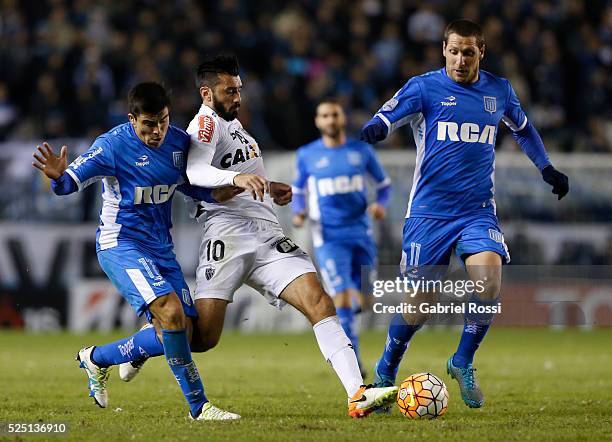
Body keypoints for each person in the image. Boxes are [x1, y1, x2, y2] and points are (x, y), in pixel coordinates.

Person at [117, 54, 399, 418]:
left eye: (239, 89)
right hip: (227, 236)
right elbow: (196, 170)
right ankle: (141, 345)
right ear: (207, 93)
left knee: (319, 302)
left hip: (267, 234)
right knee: (200, 338)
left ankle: (357, 394)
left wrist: (268, 187)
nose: (237, 97)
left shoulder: (236, 127)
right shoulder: (205, 125)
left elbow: (241, 172)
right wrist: (236, 180)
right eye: (229, 91)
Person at [360, 19, 569, 408]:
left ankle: (462, 361)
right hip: (428, 213)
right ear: (444, 50)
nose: (460, 60)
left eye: (468, 52)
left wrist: (546, 167)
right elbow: (388, 114)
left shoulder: (499, 90)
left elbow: (523, 129)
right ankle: (386, 371)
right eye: (453, 51)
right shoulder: (424, 87)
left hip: (477, 211)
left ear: (481, 52)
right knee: (418, 306)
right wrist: (377, 127)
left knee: (489, 278)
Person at [32, 82, 267, 420]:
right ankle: (199, 408)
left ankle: (96, 358)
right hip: (121, 243)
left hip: (160, 247)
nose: (158, 132)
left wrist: (231, 186)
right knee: (171, 314)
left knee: (184, 334)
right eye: (149, 124)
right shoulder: (112, 146)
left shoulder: (178, 143)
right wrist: (57, 178)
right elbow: (68, 183)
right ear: (132, 120)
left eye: (164, 121)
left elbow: (193, 187)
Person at [291, 98, 391, 375]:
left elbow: (383, 185)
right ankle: (354, 361)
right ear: (317, 121)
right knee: (344, 297)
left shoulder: (361, 152)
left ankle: (350, 323)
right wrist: (298, 212)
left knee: (364, 299)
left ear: (342, 118)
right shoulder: (307, 154)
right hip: (329, 236)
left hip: (361, 233)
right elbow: (298, 189)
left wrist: (381, 205)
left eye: (334, 115)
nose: (330, 120)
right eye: (324, 115)